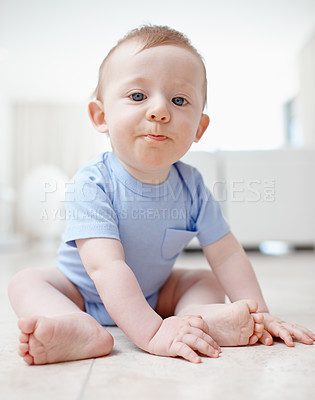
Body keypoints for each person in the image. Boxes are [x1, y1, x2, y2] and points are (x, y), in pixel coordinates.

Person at [8, 25, 315, 366]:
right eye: (138, 96)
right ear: (101, 116)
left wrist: (261, 316)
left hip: (156, 294)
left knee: (203, 278)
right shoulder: (93, 183)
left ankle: (199, 316)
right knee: (27, 282)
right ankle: (76, 326)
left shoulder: (192, 185)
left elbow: (227, 255)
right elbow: (105, 267)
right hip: (79, 292)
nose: (159, 111)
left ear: (199, 127)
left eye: (179, 100)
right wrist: (152, 333)